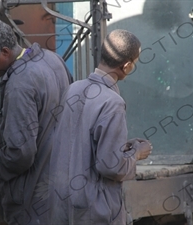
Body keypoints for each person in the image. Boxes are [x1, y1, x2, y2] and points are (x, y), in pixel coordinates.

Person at [0, 18, 71, 224]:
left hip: (33, 199)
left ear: (4, 52)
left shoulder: (19, 85)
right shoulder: (52, 60)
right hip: (62, 188)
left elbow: (20, 154)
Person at [48, 29, 152, 224]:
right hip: (93, 210)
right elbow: (111, 166)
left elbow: (78, 142)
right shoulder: (113, 102)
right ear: (127, 66)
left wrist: (121, 148)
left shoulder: (73, 89)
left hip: (61, 203)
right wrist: (136, 152)